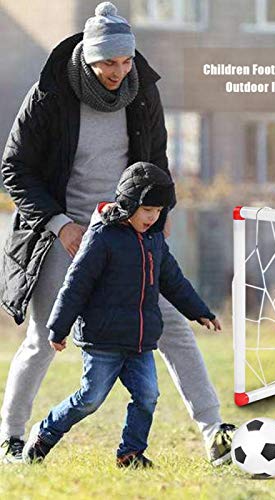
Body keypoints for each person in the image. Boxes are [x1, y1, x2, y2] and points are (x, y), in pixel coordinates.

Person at [0, 2, 235, 465]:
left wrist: (160, 210)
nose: (119, 71)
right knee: (43, 338)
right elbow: (14, 168)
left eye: (126, 61)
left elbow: (158, 159)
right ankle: (10, 436)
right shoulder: (49, 95)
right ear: (89, 58)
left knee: (173, 329)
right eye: (109, 62)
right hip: (62, 235)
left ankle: (214, 432)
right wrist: (60, 224)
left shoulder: (142, 92)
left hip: (128, 233)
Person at [22, 162, 221, 468]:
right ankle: (44, 434)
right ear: (128, 203)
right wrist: (58, 328)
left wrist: (199, 311)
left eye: (158, 210)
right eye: (147, 210)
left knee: (147, 396)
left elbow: (173, 280)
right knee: (90, 399)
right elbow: (76, 284)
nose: (153, 217)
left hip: (140, 342)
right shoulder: (103, 237)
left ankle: (130, 453)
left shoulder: (155, 241)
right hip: (102, 340)